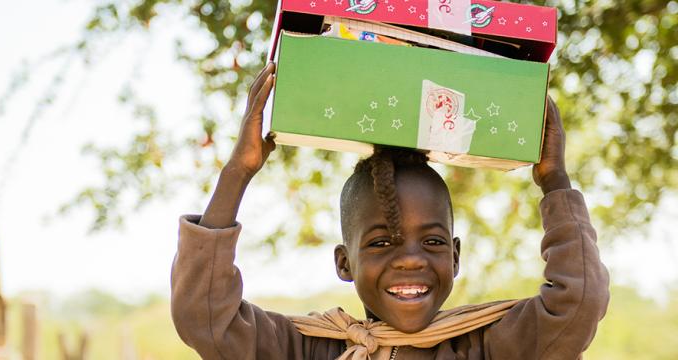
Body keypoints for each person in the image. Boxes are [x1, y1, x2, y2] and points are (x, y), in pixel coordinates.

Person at [171, 63, 610, 359]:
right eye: (381, 241)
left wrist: (555, 181)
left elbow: (577, 304)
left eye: (433, 241)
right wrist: (238, 171)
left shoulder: (485, 346)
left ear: (455, 256)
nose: (411, 259)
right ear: (345, 262)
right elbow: (204, 315)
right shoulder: (308, 348)